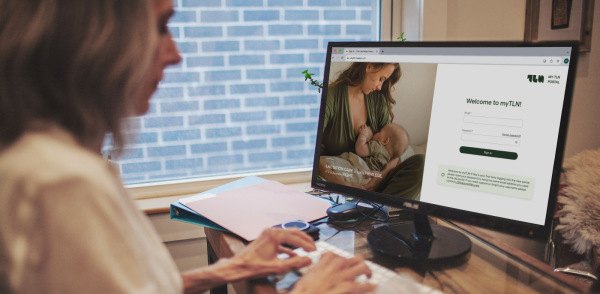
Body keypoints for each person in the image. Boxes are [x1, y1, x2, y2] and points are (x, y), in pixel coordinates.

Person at [0, 0, 377, 293]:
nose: (176, 54)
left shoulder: (52, 159)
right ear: (92, 40)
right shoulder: (60, 181)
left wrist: (234, 267)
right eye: (161, 27)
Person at [319, 62, 424, 199]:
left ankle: (377, 207)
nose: (380, 87)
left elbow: (393, 151)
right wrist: (345, 185)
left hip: (373, 180)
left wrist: (382, 175)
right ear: (369, 66)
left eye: (384, 81)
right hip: (341, 180)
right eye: (381, 78)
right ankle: (375, 207)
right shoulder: (331, 98)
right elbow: (313, 158)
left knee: (420, 163)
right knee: (317, 178)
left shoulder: (378, 100)